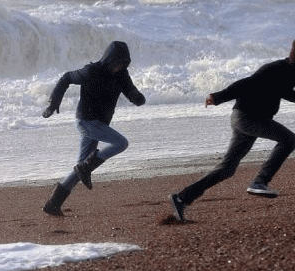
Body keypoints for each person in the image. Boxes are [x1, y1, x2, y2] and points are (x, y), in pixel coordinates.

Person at [170, 40, 295, 222]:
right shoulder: (275, 68)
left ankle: (182, 198)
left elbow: (286, 93)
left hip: (248, 119)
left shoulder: (289, 72)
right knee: (289, 140)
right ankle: (260, 182)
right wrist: (218, 96)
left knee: (227, 169)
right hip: (248, 118)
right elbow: (246, 83)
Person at [41, 41, 146, 216]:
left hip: (100, 125)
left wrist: (138, 98)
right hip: (86, 122)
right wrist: (53, 104)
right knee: (121, 143)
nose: (119, 67)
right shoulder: (91, 71)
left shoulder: (122, 74)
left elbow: (130, 91)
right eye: (118, 63)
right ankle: (88, 165)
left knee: (80, 168)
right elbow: (66, 77)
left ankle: (53, 204)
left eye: (124, 64)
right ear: (109, 59)